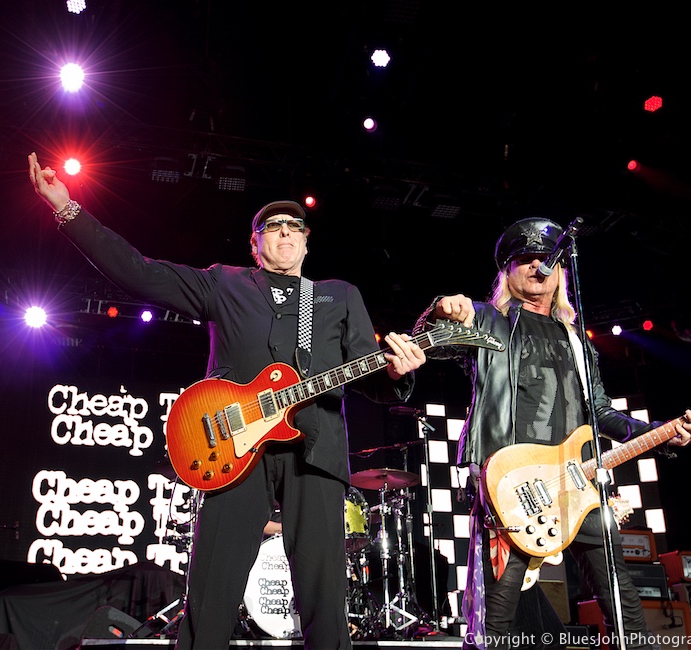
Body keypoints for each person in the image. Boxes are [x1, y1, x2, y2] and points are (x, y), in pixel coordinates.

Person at [27, 152, 426, 650]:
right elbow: (139, 271)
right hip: (232, 449)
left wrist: (397, 371)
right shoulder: (225, 282)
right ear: (254, 243)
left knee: (325, 600)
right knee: (211, 593)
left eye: (295, 226)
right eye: (272, 226)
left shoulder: (339, 295)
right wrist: (67, 210)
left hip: (316, 450)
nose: (285, 232)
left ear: (306, 241)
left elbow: (371, 373)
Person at [412, 217, 691, 650]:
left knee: (621, 598)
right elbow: (427, 342)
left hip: (576, 482)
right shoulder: (487, 320)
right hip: (511, 483)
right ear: (507, 271)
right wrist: (440, 309)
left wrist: (662, 432)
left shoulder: (577, 341)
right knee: (497, 617)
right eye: (526, 259)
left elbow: (601, 412)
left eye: (547, 259)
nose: (539, 267)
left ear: (562, 272)